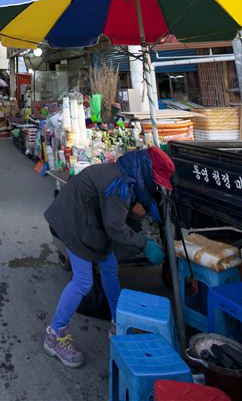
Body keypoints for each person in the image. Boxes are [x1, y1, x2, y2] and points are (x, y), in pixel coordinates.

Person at [43, 146, 175, 369]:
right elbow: (114, 226)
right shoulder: (121, 184)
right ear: (147, 172)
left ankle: (117, 322)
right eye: (156, 180)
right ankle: (54, 334)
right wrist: (144, 244)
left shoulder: (129, 175)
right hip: (74, 222)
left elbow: (118, 215)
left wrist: (136, 216)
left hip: (90, 221)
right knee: (83, 281)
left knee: (110, 269)